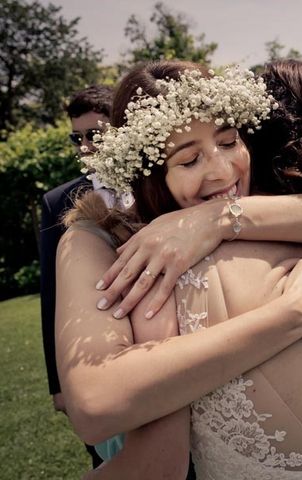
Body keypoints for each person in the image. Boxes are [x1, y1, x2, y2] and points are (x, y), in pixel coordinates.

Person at [54, 60, 302, 478]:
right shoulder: (105, 247)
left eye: (229, 143)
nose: (223, 171)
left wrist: (219, 218)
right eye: (189, 161)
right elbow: (96, 404)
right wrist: (294, 315)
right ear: (148, 172)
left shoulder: (253, 223)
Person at [39, 84, 113, 468]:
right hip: (91, 343)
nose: (85, 147)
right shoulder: (56, 202)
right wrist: (58, 383)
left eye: (95, 135)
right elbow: (51, 295)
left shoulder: (153, 182)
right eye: (77, 137)